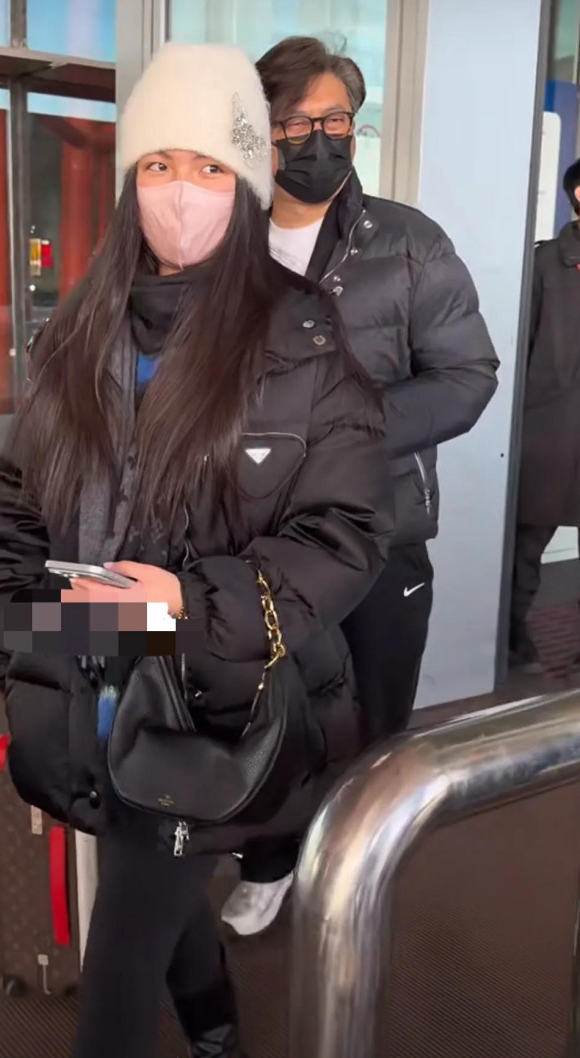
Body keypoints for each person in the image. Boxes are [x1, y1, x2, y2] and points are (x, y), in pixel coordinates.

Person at [0, 43, 393, 1058]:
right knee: (149, 878)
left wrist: (188, 603)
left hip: (212, 691)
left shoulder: (305, 339)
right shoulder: (82, 327)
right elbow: (18, 503)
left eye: (209, 166)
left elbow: (346, 533)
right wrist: (15, 649)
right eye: (158, 163)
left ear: (247, 182)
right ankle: (216, 1039)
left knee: (124, 936)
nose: (181, 191)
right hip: (86, 671)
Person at [221, 36, 499, 938]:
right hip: (258, 539)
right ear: (259, 131)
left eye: (336, 120)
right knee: (268, 707)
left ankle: (357, 872)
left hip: (382, 530)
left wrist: (344, 435)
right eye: (295, 122)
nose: (319, 139)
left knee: (375, 715)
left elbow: (467, 376)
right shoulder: (223, 238)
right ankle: (270, 859)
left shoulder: (409, 242)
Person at [510, 158, 580, 671]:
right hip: (551, 428)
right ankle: (512, 640)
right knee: (526, 541)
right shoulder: (543, 264)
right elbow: (517, 352)